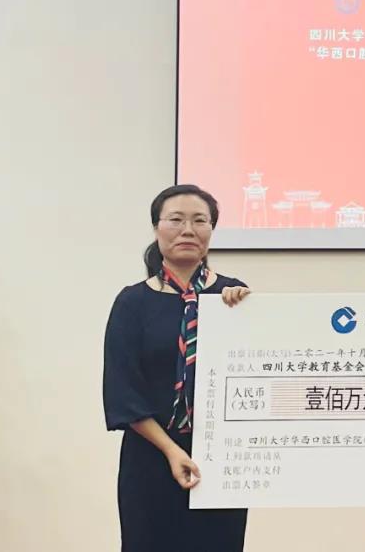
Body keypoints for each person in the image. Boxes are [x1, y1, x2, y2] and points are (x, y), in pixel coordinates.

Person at [103, 184, 250, 551]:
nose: (188, 230)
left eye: (200, 221)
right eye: (176, 220)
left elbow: (254, 373)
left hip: (220, 457)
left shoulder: (233, 297)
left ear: (211, 230)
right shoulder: (132, 302)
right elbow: (122, 391)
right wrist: (171, 450)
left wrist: (249, 313)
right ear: (157, 228)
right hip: (150, 457)